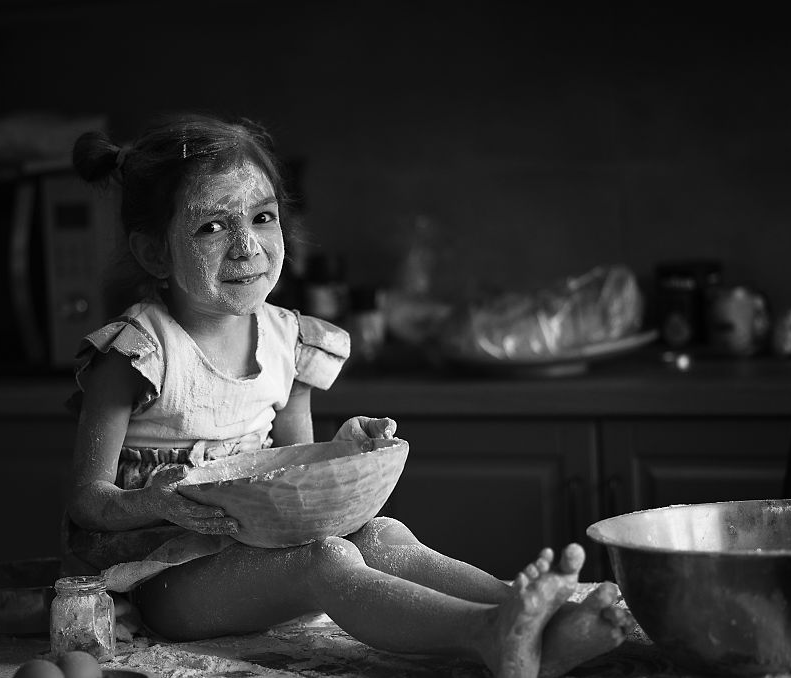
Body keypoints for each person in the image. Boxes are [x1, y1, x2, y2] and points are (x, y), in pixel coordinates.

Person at [64, 112, 632, 678]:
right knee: (327, 557)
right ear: (155, 252)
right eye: (211, 226)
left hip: (262, 558)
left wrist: (340, 453)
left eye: (262, 217)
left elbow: (296, 473)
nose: (247, 247)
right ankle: (486, 635)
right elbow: (88, 501)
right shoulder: (137, 354)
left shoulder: (288, 341)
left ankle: (541, 622)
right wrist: (157, 502)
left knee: (385, 535)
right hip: (167, 580)